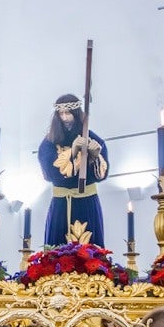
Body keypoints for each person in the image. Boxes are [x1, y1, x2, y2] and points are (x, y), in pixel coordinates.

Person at [37, 93, 109, 246]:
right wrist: (72, 152)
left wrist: (95, 156)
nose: (65, 118)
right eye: (61, 114)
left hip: (87, 201)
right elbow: (50, 173)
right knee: (57, 249)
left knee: (89, 249)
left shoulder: (93, 139)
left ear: (76, 114)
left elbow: (101, 175)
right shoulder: (49, 142)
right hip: (61, 203)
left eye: (68, 113)